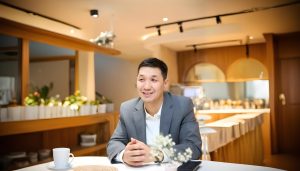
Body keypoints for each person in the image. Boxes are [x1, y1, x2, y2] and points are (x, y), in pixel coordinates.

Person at [107, 57, 202, 166]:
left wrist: (157, 155)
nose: (146, 87)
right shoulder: (127, 109)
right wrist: (124, 155)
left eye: (154, 80)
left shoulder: (182, 106)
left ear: (165, 83)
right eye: (141, 79)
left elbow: (193, 147)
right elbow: (114, 143)